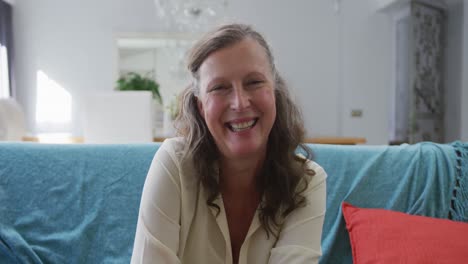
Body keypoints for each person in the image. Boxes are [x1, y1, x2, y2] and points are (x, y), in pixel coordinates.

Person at [131, 23, 327, 264]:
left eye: (254, 82)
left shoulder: (306, 181)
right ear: (201, 106)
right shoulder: (174, 164)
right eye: (219, 88)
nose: (240, 102)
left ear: (274, 91)